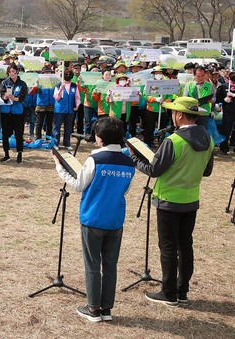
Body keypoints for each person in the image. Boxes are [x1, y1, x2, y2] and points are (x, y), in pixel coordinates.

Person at [127, 96, 214, 307]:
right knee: (185, 246)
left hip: (168, 200)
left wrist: (134, 158)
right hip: (191, 199)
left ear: (180, 115)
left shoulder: (173, 141)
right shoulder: (209, 140)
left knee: (168, 247)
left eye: (173, 113)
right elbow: (208, 171)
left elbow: (153, 170)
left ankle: (169, 293)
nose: (172, 116)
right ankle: (182, 290)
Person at [54, 116, 135, 322]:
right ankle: (106, 309)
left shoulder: (95, 160)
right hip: (115, 218)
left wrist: (60, 168)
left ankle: (93, 309)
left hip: (93, 217)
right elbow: (124, 189)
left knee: (92, 264)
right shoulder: (128, 162)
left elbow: (79, 184)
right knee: (110, 265)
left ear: (99, 138)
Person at [0, 64, 28, 163]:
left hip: (17, 112)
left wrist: (15, 99)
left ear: (17, 72)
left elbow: (23, 96)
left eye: (14, 71)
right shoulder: (5, 82)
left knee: (18, 134)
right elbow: (1, 94)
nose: (12, 74)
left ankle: (19, 153)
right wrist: (5, 97)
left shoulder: (22, 84)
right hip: (5, 111)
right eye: (10, 72)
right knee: (5, 134)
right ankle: (6, 154)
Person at [52, 70, 81, 151]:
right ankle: (55, 143)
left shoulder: (74, 86)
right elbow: (56, 98)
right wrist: (60, 90)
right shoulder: (58, 85)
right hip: (60, 109)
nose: (68, 75)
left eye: (69, 74)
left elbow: (77, 96)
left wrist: (77, 105)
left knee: (68, 127)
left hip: (70, 110)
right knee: (57, 127)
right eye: (66, 74)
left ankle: (67, 143)